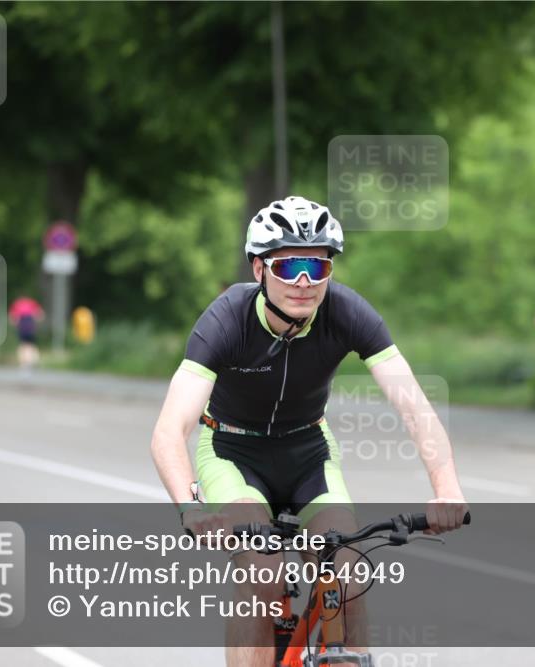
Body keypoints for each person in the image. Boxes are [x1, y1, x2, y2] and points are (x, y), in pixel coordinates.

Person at [150, 196, 469, 667]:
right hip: (233, 454)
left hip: (308, 454)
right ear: (258, 269)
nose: (304, 282)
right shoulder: (226, 318)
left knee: (349, 569)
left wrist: (446, 489)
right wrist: (191, 510)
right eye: (289, 266)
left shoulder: (347, 312)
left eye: (317, 268)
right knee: (261, 575)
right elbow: (168, 431)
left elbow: (414, 406)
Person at [8, 296, 44, 375]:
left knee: (23, 345)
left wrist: (15, 325)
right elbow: (39, 314)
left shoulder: (17, 304)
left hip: (22, 326)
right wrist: (37, 324)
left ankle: (24, 364)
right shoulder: (32, 302)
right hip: (31, 325)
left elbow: (13, 317)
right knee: (31, 345)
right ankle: (33, 361)